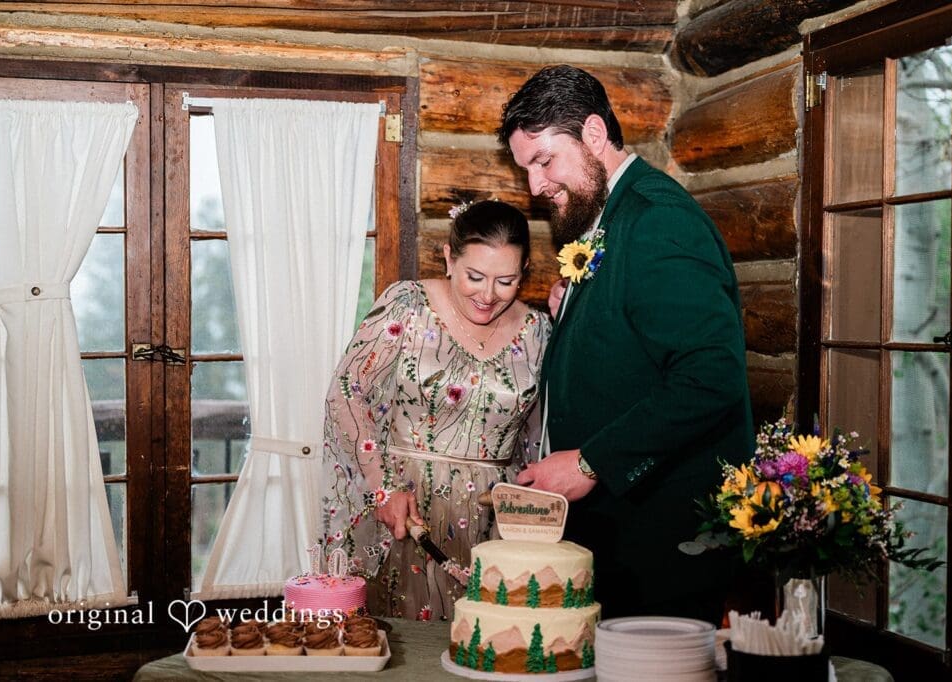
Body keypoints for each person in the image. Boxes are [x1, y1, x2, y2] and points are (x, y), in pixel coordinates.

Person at [501, 65, 754, 624]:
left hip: (663, 545)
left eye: (544, 160)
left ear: (594, 134)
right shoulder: (609, 216)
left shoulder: (658, 219)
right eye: (526, 169)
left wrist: (592, 462)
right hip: (620, 537)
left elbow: (709, 378)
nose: (535, 186)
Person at [321, 200, 550, 620]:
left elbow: (540, 435)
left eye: (506, 281)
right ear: (449, 257)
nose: (487, 295)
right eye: (475, 276)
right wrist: (382, 486)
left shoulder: (539, 330)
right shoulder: (406, 306)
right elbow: (347, 393)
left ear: (525, 272)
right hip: (407, 514)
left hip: (494, 521)